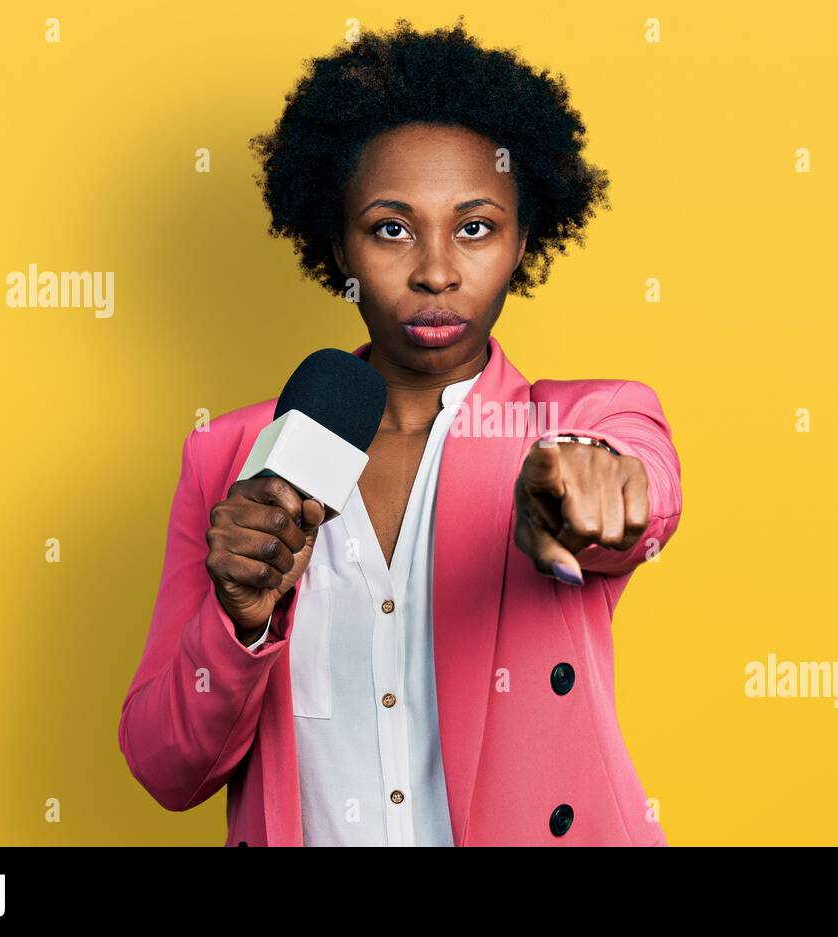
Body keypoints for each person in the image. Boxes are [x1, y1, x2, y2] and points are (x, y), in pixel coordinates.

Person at [118, 16, 683, 846]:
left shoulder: (576, 423)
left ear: (524, 239)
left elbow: (641, 486)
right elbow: (167, 769)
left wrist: (594, 485)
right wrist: (240, 625)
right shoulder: (231, 457)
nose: (436, 270)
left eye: (476, 226)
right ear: (337, 244)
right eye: (391, 227)